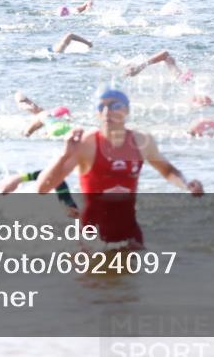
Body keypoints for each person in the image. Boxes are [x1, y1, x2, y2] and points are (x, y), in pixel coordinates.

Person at [37, 88, 203, 249]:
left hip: (130, 236)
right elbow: (43, 188)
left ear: (127, 110)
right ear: (97, 113)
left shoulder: (142, 141)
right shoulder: (87, 144)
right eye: (101, 107)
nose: (107, 111)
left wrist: (187, 185)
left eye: (115, 106)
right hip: (93, 239)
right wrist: (64, 156)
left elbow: (167, 171)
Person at [125, 50, 191, 82]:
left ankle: (138, 67)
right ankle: (138, 67)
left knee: (167, 56)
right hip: (183, 81)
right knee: (168, 57)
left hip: (182, 81)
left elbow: (165, 54)